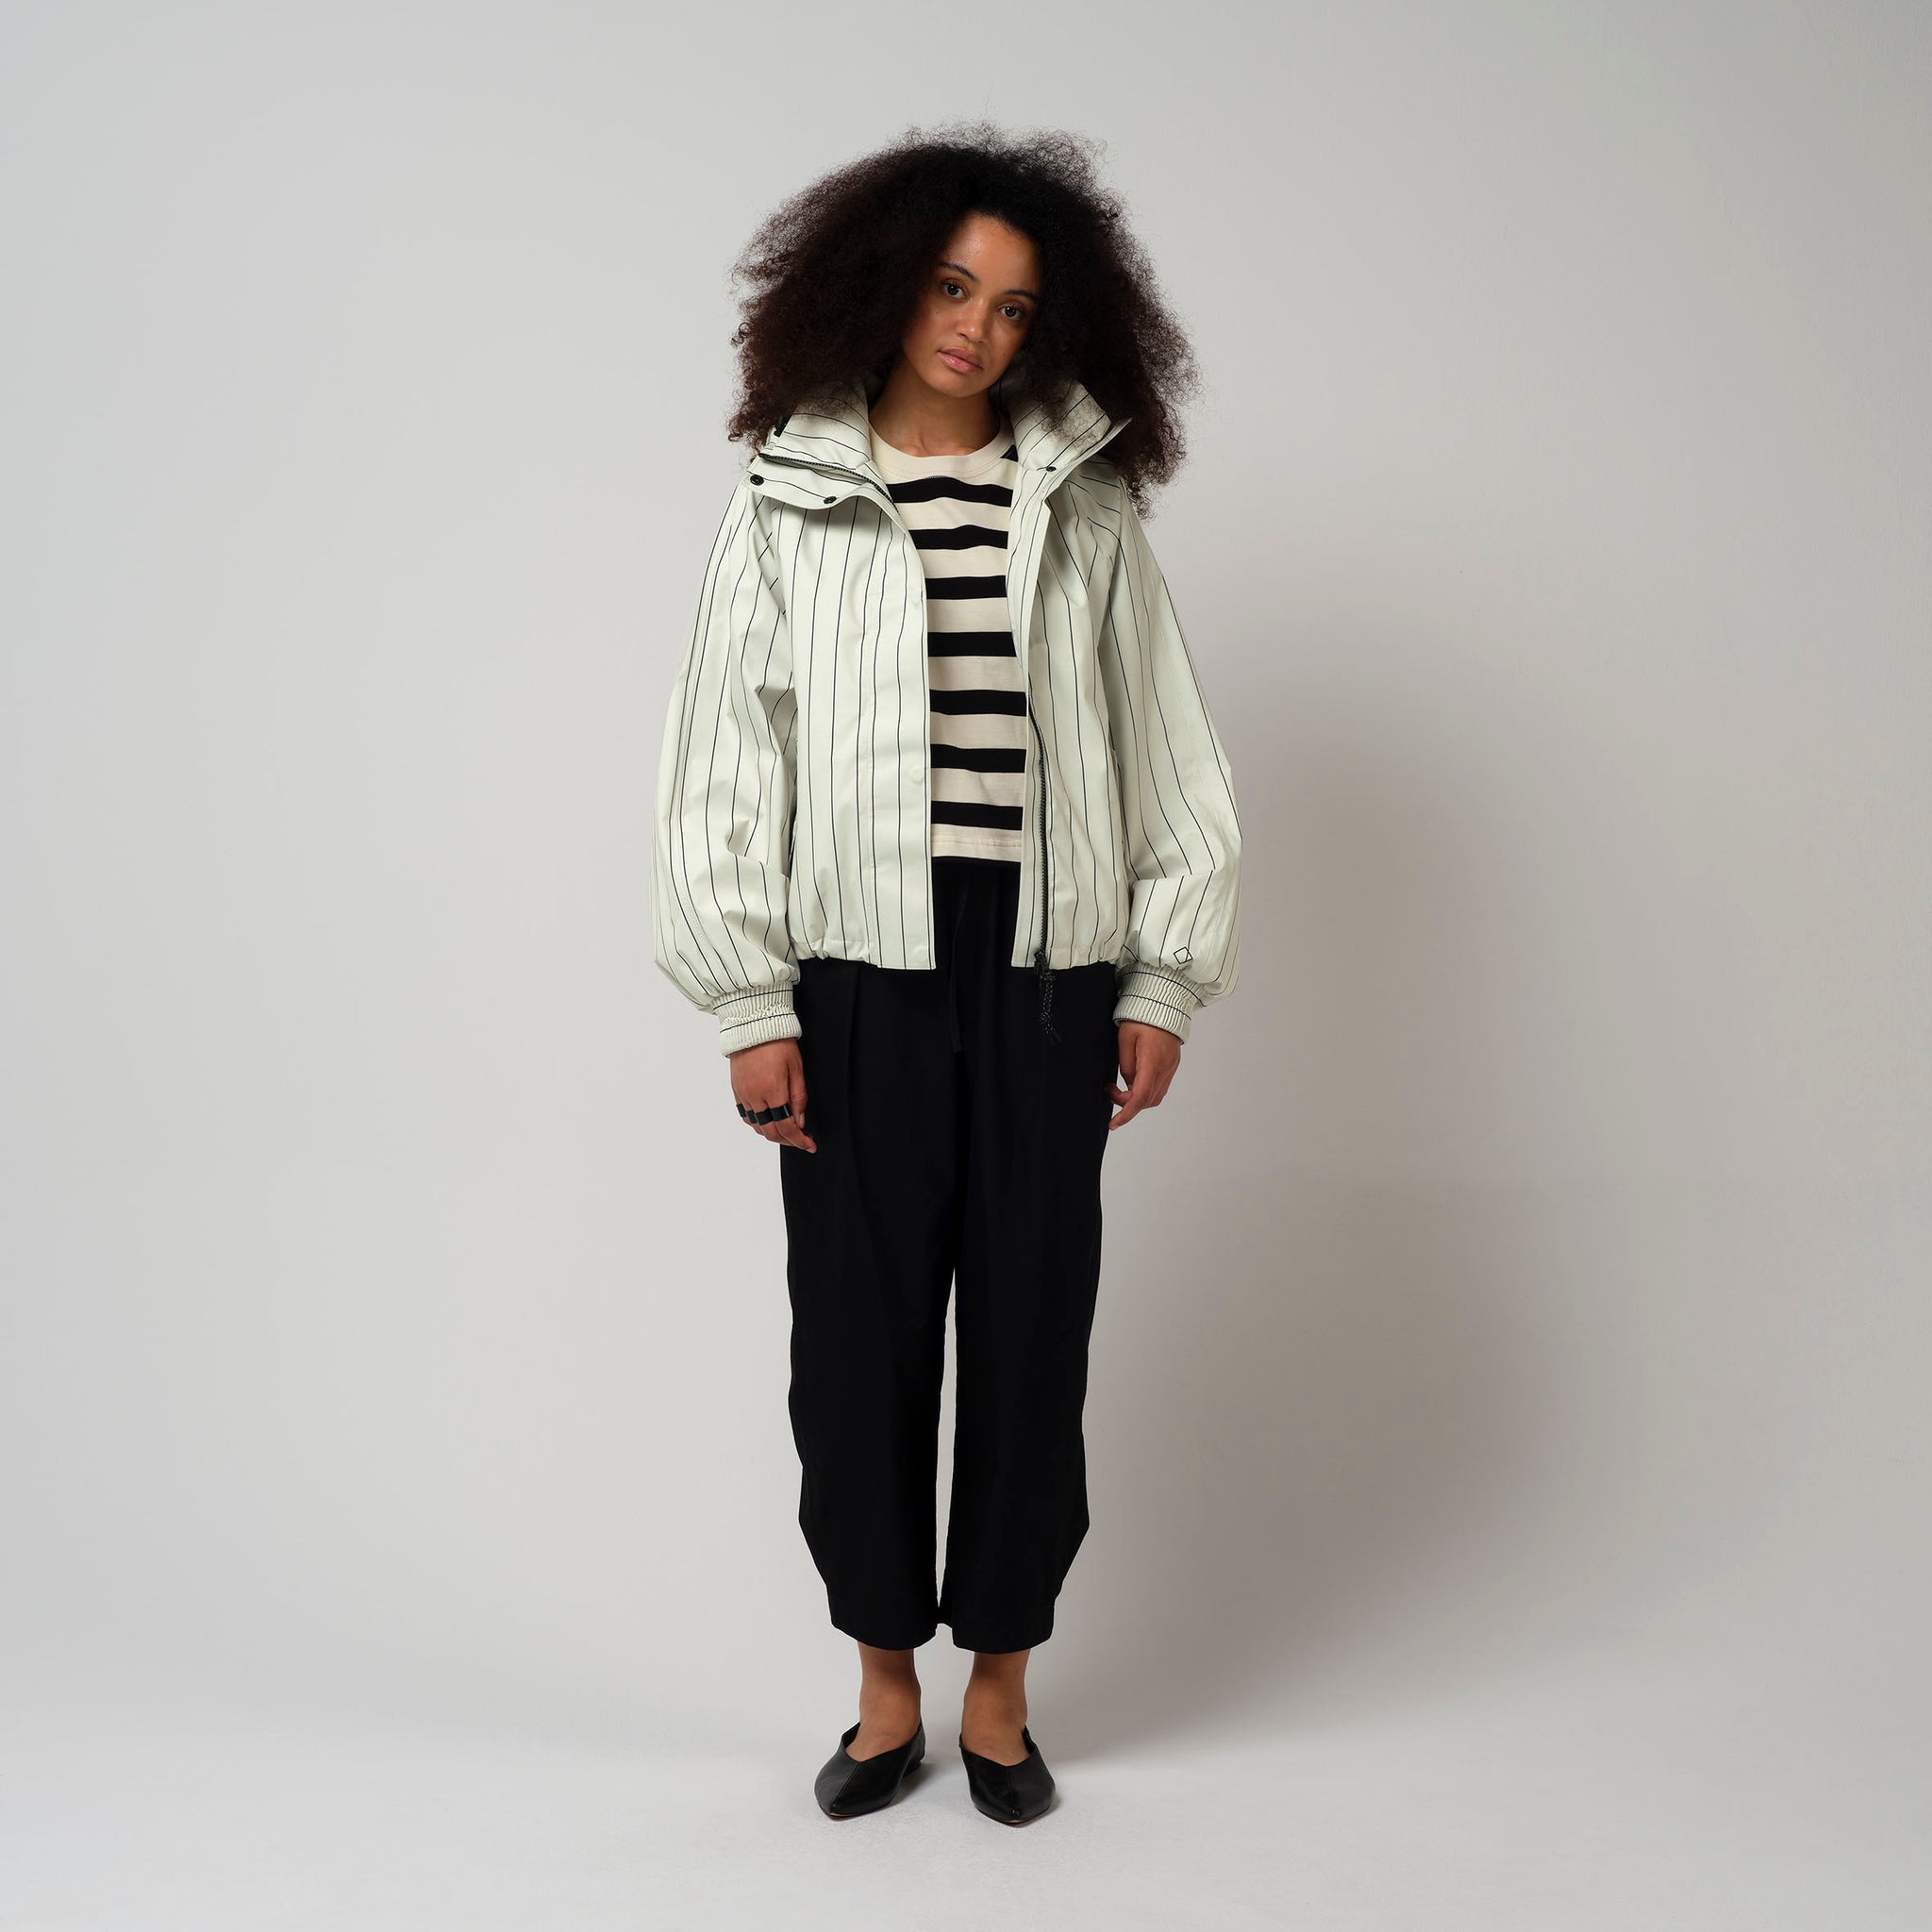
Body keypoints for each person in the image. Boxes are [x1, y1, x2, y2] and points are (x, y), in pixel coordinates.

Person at [651, 123, 1242, 1825]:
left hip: (1049, 969)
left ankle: (999, 1693)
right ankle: (882, 1693)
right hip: (859, 974)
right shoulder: (790, 498)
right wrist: (752, 1002)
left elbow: (1167, 742)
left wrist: (1161, 980)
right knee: (858, 1345)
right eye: (950, 286)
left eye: (1014, 304)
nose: (976, 328)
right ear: (883, 283)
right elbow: (723, 760)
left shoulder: (1089, 504)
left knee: (1032, 1332)